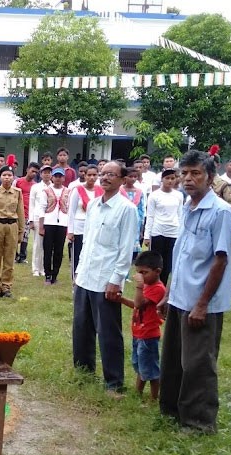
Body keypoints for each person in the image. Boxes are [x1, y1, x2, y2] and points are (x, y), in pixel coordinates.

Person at [158, 150, 231, 434]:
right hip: (180, 297)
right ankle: (171, 410)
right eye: (184, 173)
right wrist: (168, 293)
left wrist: (202, 304)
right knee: (174, 360)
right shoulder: (186, 207)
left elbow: (220, 260)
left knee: (198, 364)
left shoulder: (220, 212)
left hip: (203, 302)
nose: (188, 179)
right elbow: (183, 256)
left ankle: (199, 422)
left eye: (196, 173)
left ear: (210, 178)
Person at [72, 161, 137, 394]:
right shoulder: (93, 205)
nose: (105, 177)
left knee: (108, 332)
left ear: (122, 179)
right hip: (86, 275)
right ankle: (83, 370)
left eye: (111, 174)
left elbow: (125, 248)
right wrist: (78, 271)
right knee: (81, 327)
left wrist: (116, 279)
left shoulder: (126, 209)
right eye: (103, 173)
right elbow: (87, 243)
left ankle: (114, 382)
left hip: (105, 279)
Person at [119, 251, 165, 400]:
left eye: (144, 272)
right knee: (140, 365)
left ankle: (153, 398)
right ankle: (137, 393)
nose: (140, 276)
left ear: (157, 271)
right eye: (138, 272)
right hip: (139, 333)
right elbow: (137, 305)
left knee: (151, 368)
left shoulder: (158, 289)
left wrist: (139, 286)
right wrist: (121, 300)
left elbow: (139, 303)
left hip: (149, 335)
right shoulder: (147, 285)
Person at [0, 166, 25, 299]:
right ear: (0, 177)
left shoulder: (18, 193)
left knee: (9, 257)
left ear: (13, 177)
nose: (7, 177)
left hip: (12, 225)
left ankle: (6, 286)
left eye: (9, 175)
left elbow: (21, 213)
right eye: (4, 175)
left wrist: (20, 231)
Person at [144, 169, 184, 285]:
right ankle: (152, 285)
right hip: (158, 231)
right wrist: (147, 235)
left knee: (168, 263)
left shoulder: (178, 195)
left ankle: (163, 286)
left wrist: (181, 233)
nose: (170, 181)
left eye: (173, 178)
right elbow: (150, 216)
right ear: (162, 179)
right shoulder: (154, 195)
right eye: (167, 178)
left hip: (173, 231)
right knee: (156, 261)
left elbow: (180, 214)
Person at [67, 165, 102, 281]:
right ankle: (75, 280)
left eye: (94, 175)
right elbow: (71, 211)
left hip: (94, 227)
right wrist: (70, 231)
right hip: (79, 226)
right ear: (84, 175)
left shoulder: (100, 190)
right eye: (89, 175)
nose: (92, 178)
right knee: (78, 254)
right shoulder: (77, 189)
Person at [37, 167, 69, 285]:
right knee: (48, 250)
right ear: (52, 177)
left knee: (59, 251)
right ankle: (47, 274)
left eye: (60, 176)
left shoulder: (68, 191)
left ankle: (55, 275)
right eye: (56, 176)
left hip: (62, 223)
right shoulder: (46, 191)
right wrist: (41, 226)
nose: (58, 179)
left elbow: (69, 208)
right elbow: (41, 209)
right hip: (49, 222)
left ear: (64, 178)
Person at [13, 162, 39, 264]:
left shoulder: (35, 186)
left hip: (28, 214)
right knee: (15, 235)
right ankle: (14, 255)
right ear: (27, 170)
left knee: (25, 236)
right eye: (32, 171)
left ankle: (22, 257)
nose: (34, 174)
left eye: (36, 172)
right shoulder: (17, 182)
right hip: (16, 213)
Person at [29, 164, 51, 276]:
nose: (47, 175)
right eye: (45, 172)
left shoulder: (53, 187)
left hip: (50, 219)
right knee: (38, 244)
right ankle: (35, 268)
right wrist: (31, 220)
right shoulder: (36, 187)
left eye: (49, 172)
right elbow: (32, 204)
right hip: (38, 218)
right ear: (41, 174)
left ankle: (43, 268)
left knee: (47, 245)